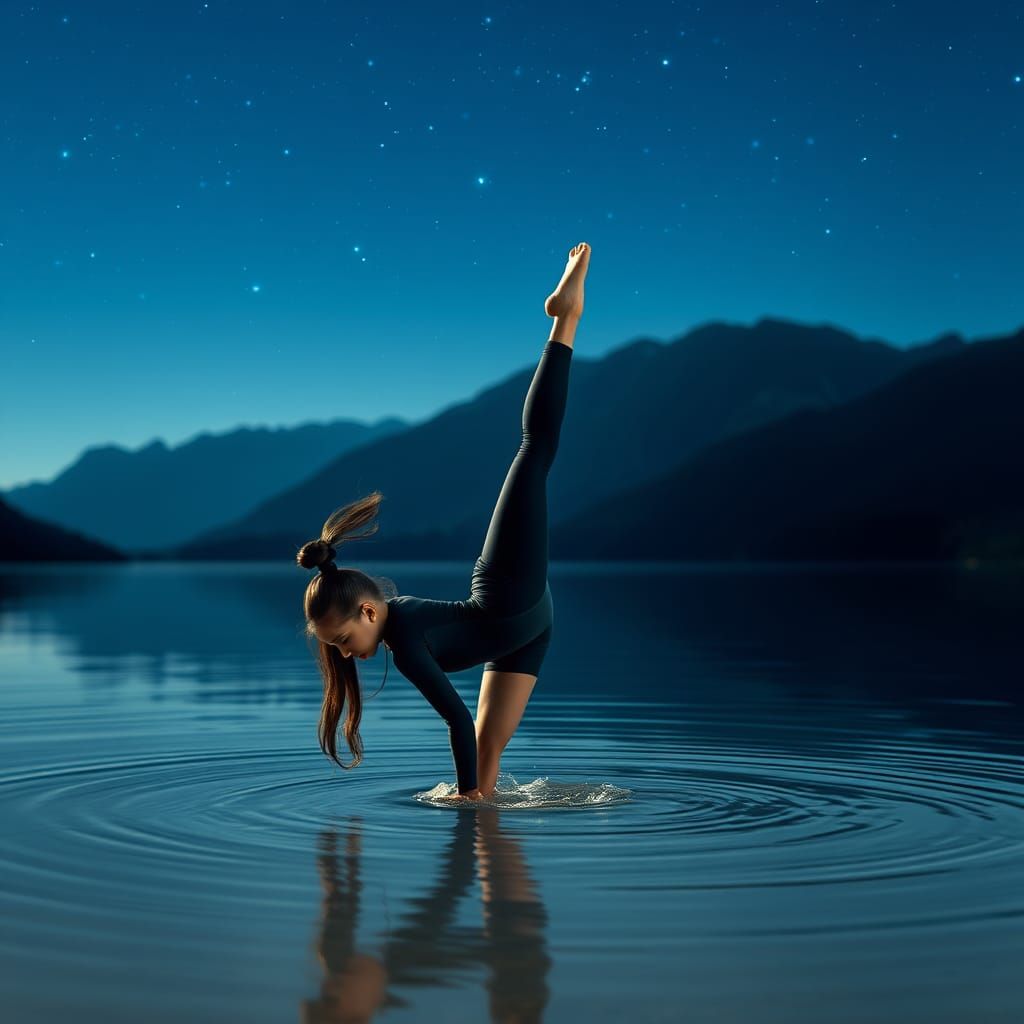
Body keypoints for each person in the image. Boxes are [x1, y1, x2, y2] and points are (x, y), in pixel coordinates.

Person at [297, 242, 591, 799]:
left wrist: (461, 800)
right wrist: (473, 800)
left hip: (510, 589)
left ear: (367, 610)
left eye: (340, 639)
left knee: (533, 451)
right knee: (488, 764)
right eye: (334, 646)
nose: (342, 652)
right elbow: (464, 734)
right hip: (528, 633)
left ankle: (567, 318)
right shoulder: (393, 632)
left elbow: (453, 722)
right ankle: (485, 859)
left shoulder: (405, 642)